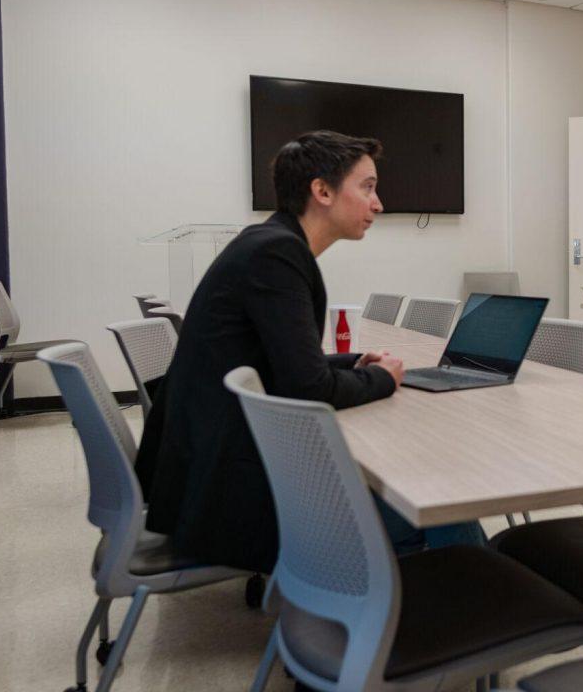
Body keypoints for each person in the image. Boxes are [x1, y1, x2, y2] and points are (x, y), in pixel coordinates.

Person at [135, 130, 481, 573]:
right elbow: (307, 385)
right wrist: (381, 378)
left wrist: (351, 363)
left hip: (207, 474)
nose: (378, 204)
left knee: (419, 486)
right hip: (232, 499)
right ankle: (488, 609)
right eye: (368, 187)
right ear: (321, 190)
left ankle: (478, 599)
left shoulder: (265, 243)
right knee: (440, 492)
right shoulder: (278, 254)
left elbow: (273, 361)